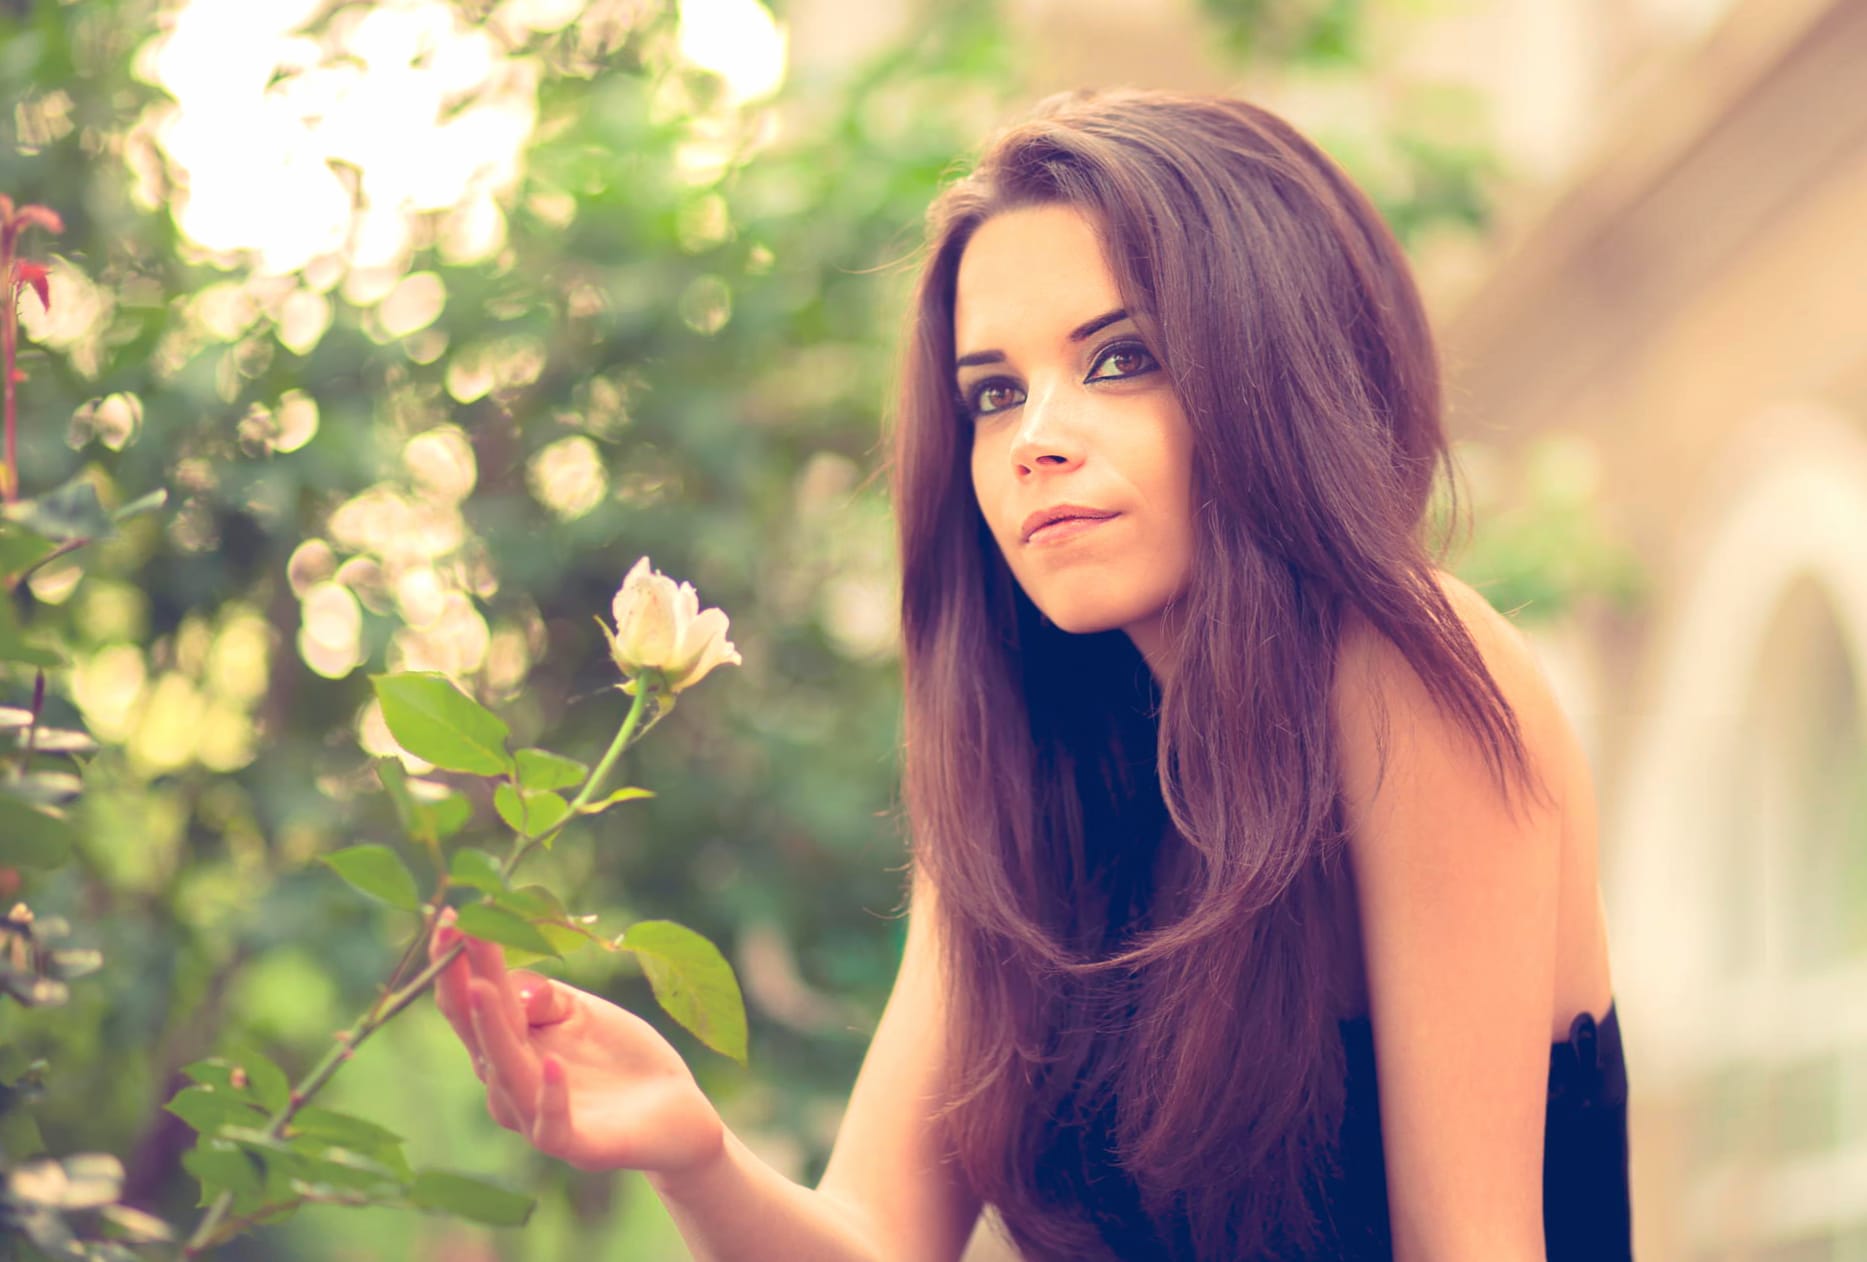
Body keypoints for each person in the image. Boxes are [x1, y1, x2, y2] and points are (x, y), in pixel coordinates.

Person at [429, 89, 1633, 1261]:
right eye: (992, 395)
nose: (1033, 439)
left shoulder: (1403, 672)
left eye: (1119, 360)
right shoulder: (1029, 761)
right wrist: (692, 1150)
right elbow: (876, 1240)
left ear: (1274, 372)